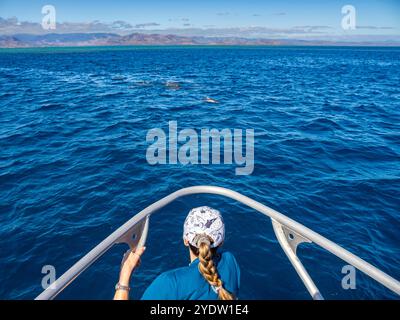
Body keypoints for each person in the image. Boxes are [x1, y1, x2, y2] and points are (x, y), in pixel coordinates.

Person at [113, 206, 240, 300]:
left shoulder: (170, 283)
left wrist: (125, 274)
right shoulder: (230, 261)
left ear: (185, 240)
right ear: (221, 241)